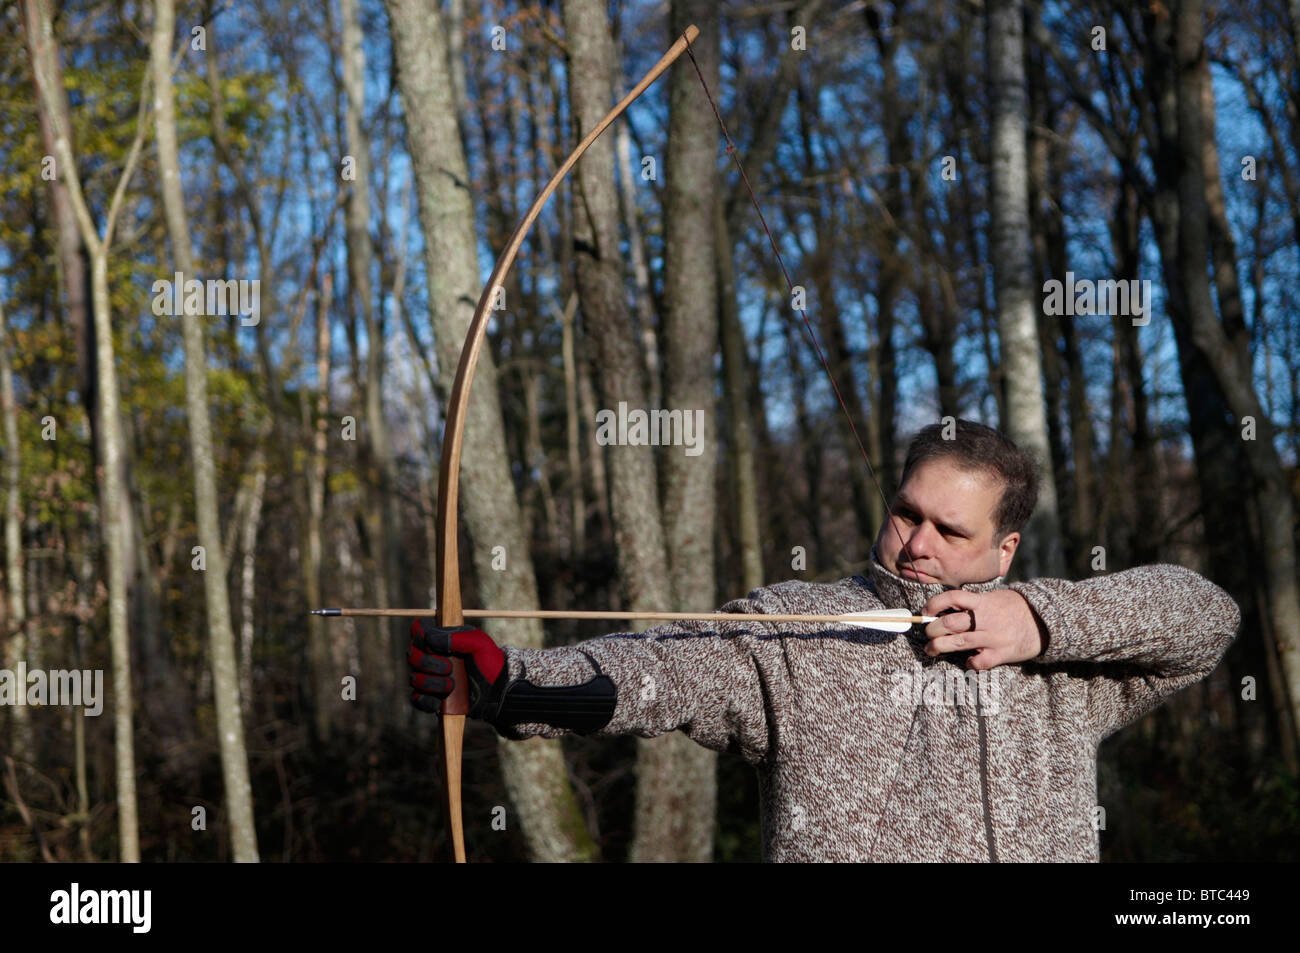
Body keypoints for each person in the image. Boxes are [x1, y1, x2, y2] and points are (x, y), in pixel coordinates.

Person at [408, 419, 1240, 861]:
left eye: (950, 530)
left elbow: (1204, 614)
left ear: (1004, 548)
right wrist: (512, 684)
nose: (917, 543)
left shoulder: (1061, 666)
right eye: (906, 513)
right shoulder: (798, 629)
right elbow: (666, 667)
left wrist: (1038, 622)